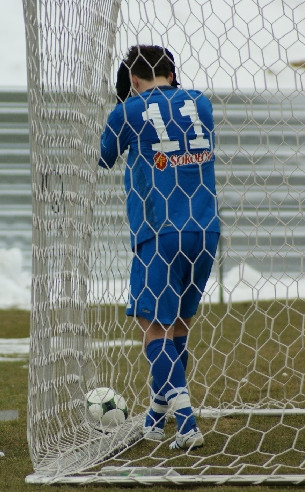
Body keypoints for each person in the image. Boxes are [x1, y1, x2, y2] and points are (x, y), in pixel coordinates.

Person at [98, 45, 220, 450]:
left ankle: (186, 424)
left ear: (133, 79)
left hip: (159, 232)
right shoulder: (201, 103)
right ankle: (155, 417)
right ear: (171, 72)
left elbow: (105, 157)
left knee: (152, 327)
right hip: (204, 229)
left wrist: (120, 107)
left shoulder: (128, 111)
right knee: (178, 326)